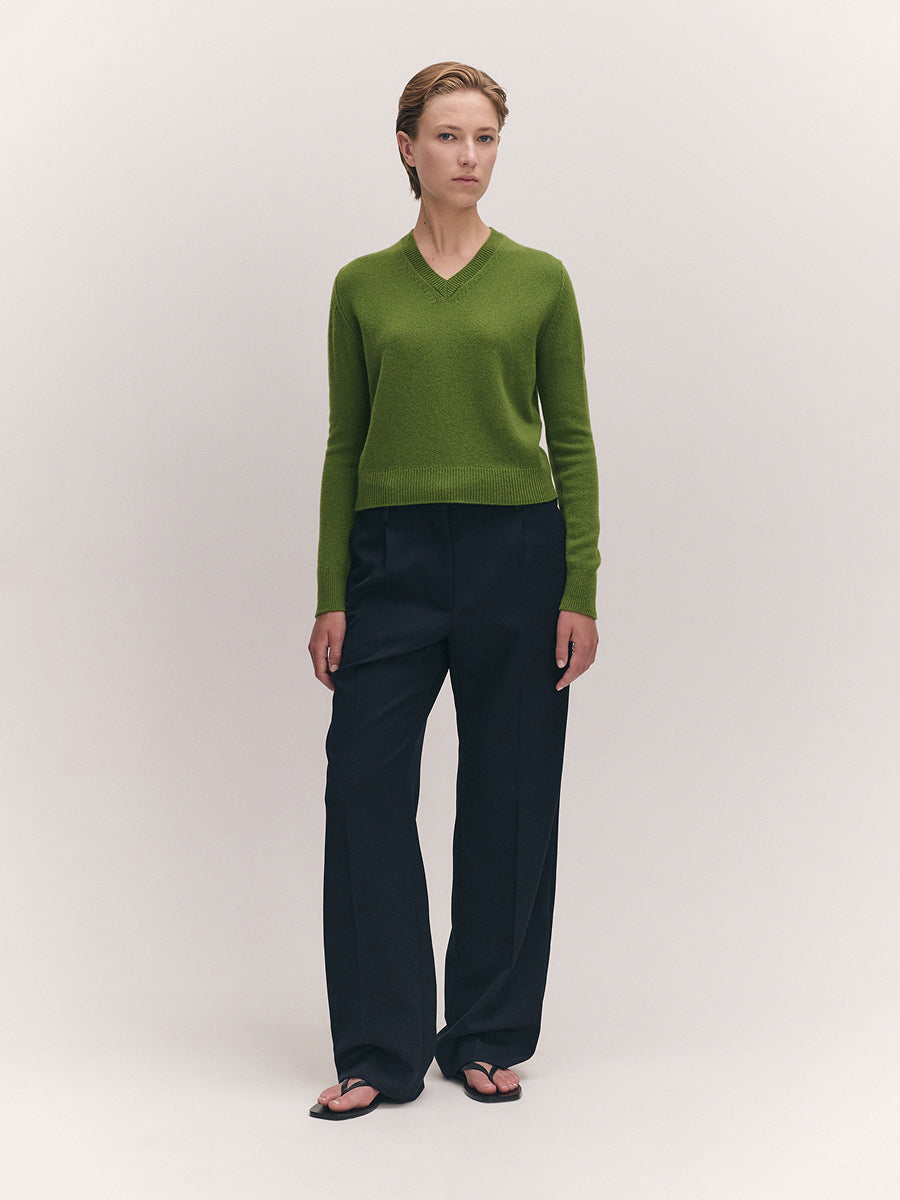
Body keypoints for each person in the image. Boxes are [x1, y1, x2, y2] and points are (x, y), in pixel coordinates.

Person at [307, 62, 600, 1120]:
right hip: (391, 561)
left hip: (516, 556)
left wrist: (579, 584)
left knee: (510, 797)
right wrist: (332, 591)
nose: (469, 156)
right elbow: (346, 443)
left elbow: (572, 440)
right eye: (448, 136)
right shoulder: (362, 286)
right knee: (365, 790)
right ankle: (380, 1048)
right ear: (408, 148)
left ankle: (484, 1033)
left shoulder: (539, 280)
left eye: (485, 138)